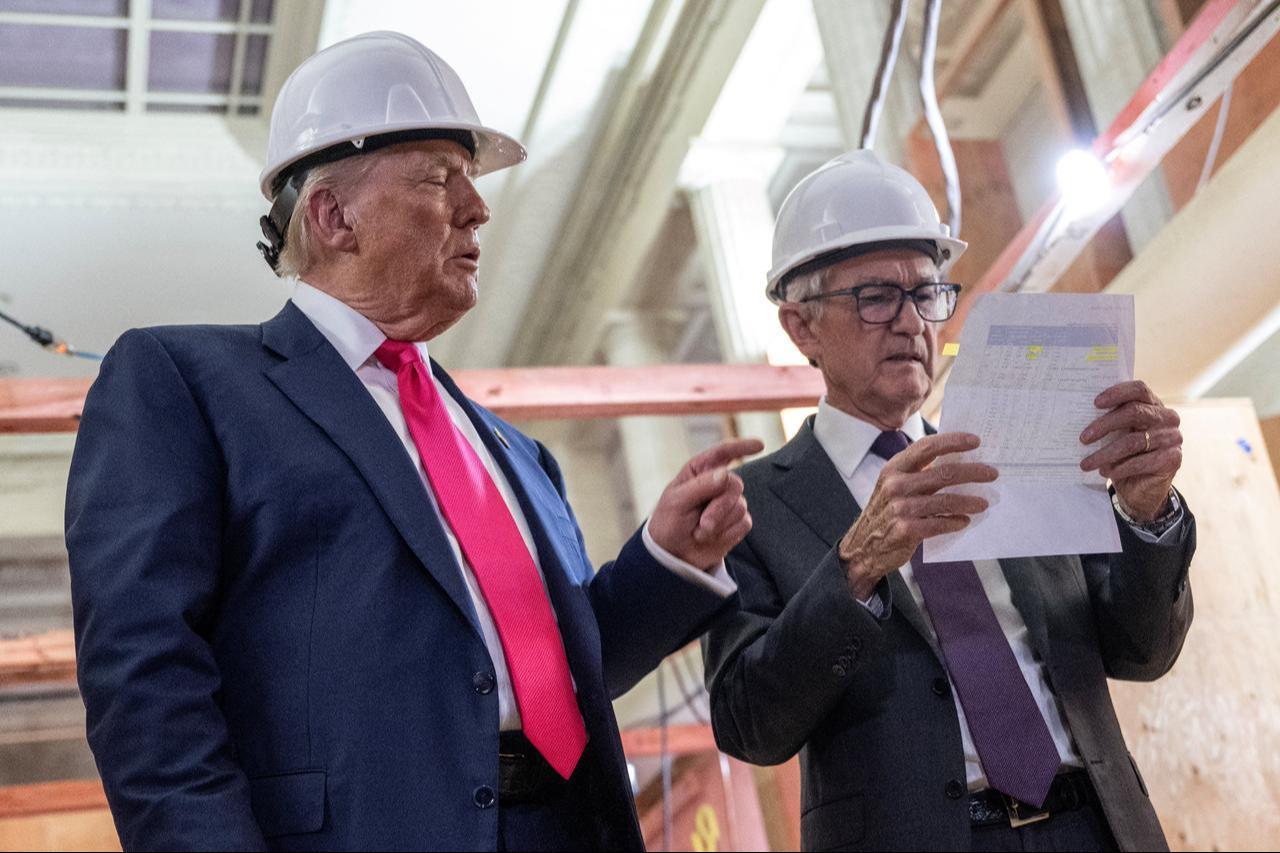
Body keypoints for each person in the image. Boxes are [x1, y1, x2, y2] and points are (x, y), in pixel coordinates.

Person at [66, 32, 759, 851]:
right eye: (440, 178)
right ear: (333, 215)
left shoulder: (516, 454)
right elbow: (145, 681)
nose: (479, 206)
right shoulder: (184, 380)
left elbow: (548, 677)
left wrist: (668, 559)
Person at [702, 150, 1194, 852]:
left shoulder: (1019, 448)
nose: (912, 323)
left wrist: (1148, 514)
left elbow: (1141, 651)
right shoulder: (751, 504)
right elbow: (749, 722)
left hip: (1095, 825)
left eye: (928, 293)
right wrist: (856, 568)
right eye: (875, 295)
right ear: (800, 327)